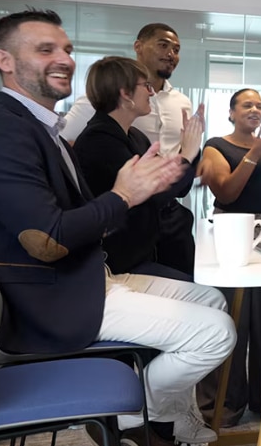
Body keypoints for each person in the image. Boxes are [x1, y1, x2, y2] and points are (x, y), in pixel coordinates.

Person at [0, 9, 236, 446]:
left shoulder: (46, 130)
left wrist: (150, 179)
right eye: (45, 50)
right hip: (50, 302)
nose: (64, 59)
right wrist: (124, 196)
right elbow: (48, 241)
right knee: (216, 333)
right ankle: (138, 422)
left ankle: (160, 423)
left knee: (212, 300)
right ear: (4, 61)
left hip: (89, 275)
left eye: (68, 50)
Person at [62, 23, 199, 275]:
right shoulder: (99, 139)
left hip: (159, 228)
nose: (150, 93)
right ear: (125, 94)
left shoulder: (136, 135)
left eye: (176, 49)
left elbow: (166, 180)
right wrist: (188, 154)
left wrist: (188, 155)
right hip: (121, 252)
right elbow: (153, 190)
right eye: (163, 45)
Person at [196, 88, 261, 428]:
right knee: (234, 319)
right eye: (246, 105)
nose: (254, 110)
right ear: (231, 112)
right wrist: (254, 152)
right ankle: (224, 404)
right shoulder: (215, 145)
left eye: (259, 105)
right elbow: (226, 191)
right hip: (229, 232)